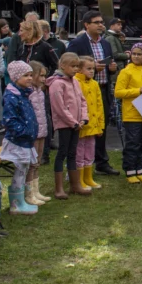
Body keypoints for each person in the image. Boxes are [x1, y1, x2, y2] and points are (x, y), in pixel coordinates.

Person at [66, 11, 119, 176]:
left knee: (100, 126)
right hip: (82, 92)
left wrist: (112, 69)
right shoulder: (77, 43)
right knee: (84, 127)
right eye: (96, 22)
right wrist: (91, 67)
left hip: (102, 89)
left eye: (102, 22)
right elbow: (69, 65)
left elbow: (110, 63)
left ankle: (101, 162)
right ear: (86, 25)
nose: (101, 25)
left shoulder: (105, 44)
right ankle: (77, 163)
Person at [115, 43, 142, 183]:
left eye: (139, 54)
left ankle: (140, 170)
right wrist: (138, 91)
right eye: (134, 53)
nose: (136, 56)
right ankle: (130, 171)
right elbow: (118, 92)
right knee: (132, 143)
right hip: (131, 113)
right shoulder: (126, 71)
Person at [0, 61, 40, 215]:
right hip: (18, 141)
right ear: (15, 77)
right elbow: (10, 119)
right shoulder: (12, 96)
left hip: (26, 140)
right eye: (26, 75)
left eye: (31, 75)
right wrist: (24, 131)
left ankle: (20, 200)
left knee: (23, 170)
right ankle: (16, 204)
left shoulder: (24, 93)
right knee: (20, 170)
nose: (30, 78)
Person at [47, 52, 89, 199]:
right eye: (72, 66)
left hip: (77, 123)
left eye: (77, 66)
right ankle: (59, 188)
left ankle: (75, 184)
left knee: (73, 153)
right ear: (62, 65)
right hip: (65, 124)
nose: (75, 69)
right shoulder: (57, 84)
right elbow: (60, 107)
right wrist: (73, 122)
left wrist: (83, 118)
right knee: (62, 153)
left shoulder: (75, 81)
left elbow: (82, 101)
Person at [76, 56, 104, 191]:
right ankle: (78, 179)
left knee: (90, 151)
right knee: (79, 152)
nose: (92, 71)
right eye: (88, 68)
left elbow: (99, 106)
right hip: (81, 125)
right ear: (80, 69)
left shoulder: (94, 83)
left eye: (93, 68)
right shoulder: (76, 82)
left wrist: (100, 125)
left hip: (93, 126)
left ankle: (88, 177)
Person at [27, 61, 52, 205]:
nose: (43, 79)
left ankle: (36, 191)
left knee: (37, 163)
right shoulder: (29, 92)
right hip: (33, 133)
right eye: (41, 76)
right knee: (31, 163)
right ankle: (29, 193)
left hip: (42, 131)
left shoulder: (40, 92)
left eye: (44, 76)